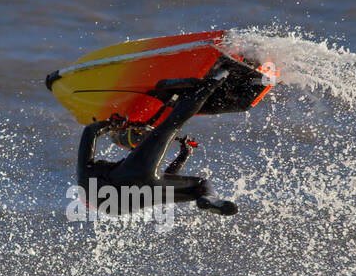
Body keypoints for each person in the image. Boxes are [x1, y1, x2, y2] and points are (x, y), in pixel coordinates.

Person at [75, 69, 238, 216]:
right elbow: (90, 131)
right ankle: (216, 78)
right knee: (172, 123)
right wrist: (111, 123)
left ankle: (210, 198)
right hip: (136, 177)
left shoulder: (113, 208)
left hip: (146, 189)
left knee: (200, 185)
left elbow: (159, 182)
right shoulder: (84, 176)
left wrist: (183, 156)